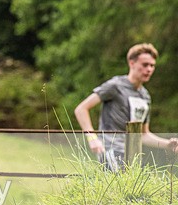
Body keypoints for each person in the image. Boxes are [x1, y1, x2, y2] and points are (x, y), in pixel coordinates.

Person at [74, 43, 178, 171]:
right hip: (110, 151)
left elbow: (143, 134)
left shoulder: (145, 96)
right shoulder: (115, 86)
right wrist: (92, 138)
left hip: (132, 155)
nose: (149, 69)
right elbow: (81, 109)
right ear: (131, 63)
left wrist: (167, 144)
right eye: (145, 65)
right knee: (117, 189)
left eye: (152, 66)